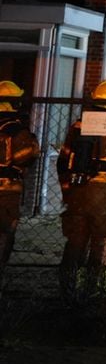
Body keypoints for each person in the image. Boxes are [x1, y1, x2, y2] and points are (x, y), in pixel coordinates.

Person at [58, 79, 106, 299]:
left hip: (78, 189)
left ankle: (68, 288)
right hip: (105, 193)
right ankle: (96, 291)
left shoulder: (79, 125)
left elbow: (63, 161)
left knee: (76, 240)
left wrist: (67, 189)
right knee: (102, 240)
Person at [0, 81, 38, 278]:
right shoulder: (15, 130)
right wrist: (32, 143)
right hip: (7, 190)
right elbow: (26, 158)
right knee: (5, 232)